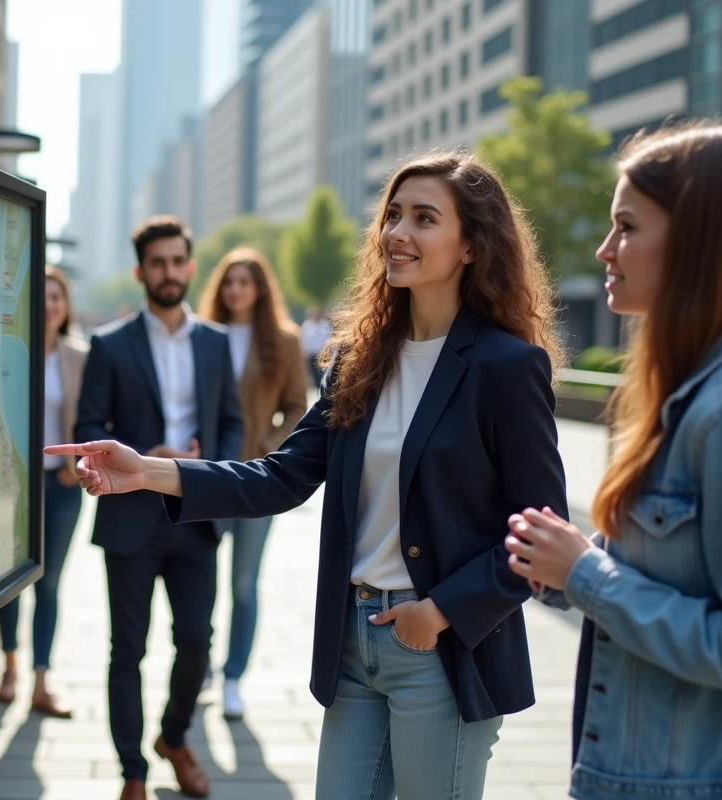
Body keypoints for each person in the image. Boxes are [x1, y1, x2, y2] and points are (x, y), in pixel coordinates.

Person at [50, 154, 570, 799]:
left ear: (471, 245)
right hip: (352, 643)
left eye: (424, 219)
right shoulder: (362, 356)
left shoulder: (506, 367)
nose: (396, 233)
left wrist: (437, 613)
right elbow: (281, 476)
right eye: (393, 216)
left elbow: (543, 536)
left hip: (442, 652)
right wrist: (152, 473)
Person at [505, 123, 722, 800]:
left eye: (627, 227)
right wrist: (565, 566)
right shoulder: (703, 393)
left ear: (702, 241)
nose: (604, 249)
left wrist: (587, 575)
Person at [74, 216, 244, 800]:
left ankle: (173, 737)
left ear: (189, 268)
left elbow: (231, 424)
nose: (169, 273)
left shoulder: (216, 344)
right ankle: (133, 772)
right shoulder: (110, 344)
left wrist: (209, 477)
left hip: (195, 517)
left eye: (177, 262)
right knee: (129, 649)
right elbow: (89, 426)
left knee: (197, 640)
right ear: (140, 271)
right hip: (129, 520)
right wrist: (146, 460)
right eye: (158, 263)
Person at [196, 247, 308, 719]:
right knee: (199, 579)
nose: (236, 290)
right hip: (208, 478)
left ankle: (233, 677)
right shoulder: (203, 335)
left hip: (258, 480)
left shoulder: (283, 339)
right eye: (229, 282)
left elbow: (299, 406)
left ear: (260, 289)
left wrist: (272, 444)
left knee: (243, 583)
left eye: (245, 282)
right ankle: (197, 665)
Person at [0, 265, 88, 717]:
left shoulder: (79, 356)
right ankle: (9, 665)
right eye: (43, 295)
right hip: (13, 485)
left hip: (63, 485)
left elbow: (93, 420)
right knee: (9, 583)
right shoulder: (10, 351)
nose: (50, 303)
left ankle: (41, 681)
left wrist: (80, 465)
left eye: (57, 296)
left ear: (66, 305)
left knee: (49, 585)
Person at [301, 305, 332, 386]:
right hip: (311, 354)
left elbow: (328, 337)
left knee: (323, 372)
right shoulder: (307, 325)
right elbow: (304, 339)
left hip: (322, 354)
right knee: (314, 373)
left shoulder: (324, 324)